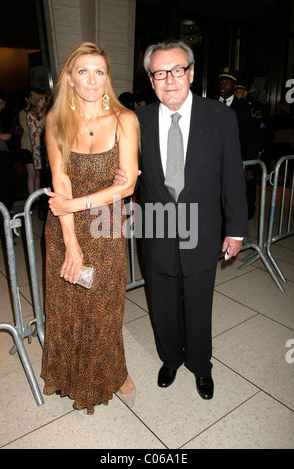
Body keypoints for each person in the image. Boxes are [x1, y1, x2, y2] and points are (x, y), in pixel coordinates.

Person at [114, 40, 248, 400]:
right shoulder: (136, 121)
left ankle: (201, 366)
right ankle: (170, 359)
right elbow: (128, 174)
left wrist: (236, 229)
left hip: (202, 230)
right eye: (160, 73)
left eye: (177, 70)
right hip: (155, 228)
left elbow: (232, 176)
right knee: (162, 301)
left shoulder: (219, 116)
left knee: (199, 302)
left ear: (190, 72)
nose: (170, 79)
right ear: (151, 79)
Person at [40, 42, 139, 415]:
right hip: (65, 228)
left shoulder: (124, 119)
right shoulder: (56, 121)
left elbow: (127, 185)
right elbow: (60, 182)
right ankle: (68, 376)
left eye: (99, 71)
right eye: (83, 71)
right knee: (69, 305)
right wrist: (72, 245)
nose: (92, 79)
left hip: (105, 227)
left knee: (104, 306)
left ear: (107, 78)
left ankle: (112, 370)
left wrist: (76, 204)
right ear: (70, 78)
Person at [218, 67, 258, 219]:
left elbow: (249, 137)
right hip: (214, 161)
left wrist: (251, 166)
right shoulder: (210, 105)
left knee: (233, 194)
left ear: (234, 87)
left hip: (235, 160)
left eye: (227, 83)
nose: (223, 86)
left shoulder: (243, 108)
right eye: (221, 82)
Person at [0, 95, 17, 214]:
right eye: (1, 103)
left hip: (2, 151)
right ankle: (3, 209)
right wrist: (1, 136)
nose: (3, 106)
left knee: (8, 180)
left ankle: (5, 208)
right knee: (5, 181)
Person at [18, 88, 37, 195]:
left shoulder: (36, 112)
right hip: (27, 146)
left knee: (37, 174)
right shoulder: (23, 113)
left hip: (36, 147)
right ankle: (32, 199)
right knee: (32, 174)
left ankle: (37, 199)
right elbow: (27, 129)